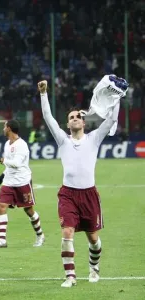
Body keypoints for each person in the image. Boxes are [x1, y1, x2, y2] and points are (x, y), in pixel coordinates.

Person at [38, 78, 127, 287]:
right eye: (71, 117)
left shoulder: (94, 138)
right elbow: (48, 117)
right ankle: (70, 276)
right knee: (67, 232)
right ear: (68, 124)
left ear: (84, 122)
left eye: (78, 116)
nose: (76, 118)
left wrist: (118, 97)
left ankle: (94, 267)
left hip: (89, 195)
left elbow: (111, 120)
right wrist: (43, 94)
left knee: (93, 239)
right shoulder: (62, 139)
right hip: (68, 194)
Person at [0, 119, 45, 248]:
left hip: (22, 181)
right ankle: (2, 240)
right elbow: (9, 164)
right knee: (2, 205)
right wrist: (2, 176)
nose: (3, 129)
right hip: (9, 181)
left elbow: (17, 164)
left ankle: (40, 235)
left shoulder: (22, 145)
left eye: (4, 126)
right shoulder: (7, 144)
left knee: (28, 210)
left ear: (9, 129)